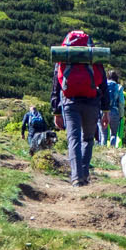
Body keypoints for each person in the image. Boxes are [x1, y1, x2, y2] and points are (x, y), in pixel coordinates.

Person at [51, 30, 106, 186]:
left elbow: (56, 85)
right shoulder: (93, 56)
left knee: (73, 138)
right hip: (92, 102)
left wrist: (56, 110)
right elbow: (102, 83)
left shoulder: (64, 56)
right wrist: (106, 110)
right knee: (88, 138)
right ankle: (84, 174)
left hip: (69, 101)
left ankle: (76, 178)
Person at [101, 69, 126, 149]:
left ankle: (102, 150)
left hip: (102, 111)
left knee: (103, 134)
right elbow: (121, 102)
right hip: (114, 112)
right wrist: (121, 115)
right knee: (113, 134)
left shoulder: (102, 85)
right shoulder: (119, 87)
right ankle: (112, 150)